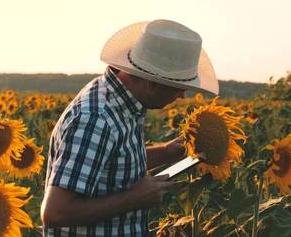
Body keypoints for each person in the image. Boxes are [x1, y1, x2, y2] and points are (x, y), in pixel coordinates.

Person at [40, 19, 219, 236]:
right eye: (177, 88)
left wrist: (165, 153)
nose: (182, 95)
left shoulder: (122, 102)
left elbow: (107, 164)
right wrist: (133, 199)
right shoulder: (96, 119)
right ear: (151, 83)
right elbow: (56, 212)